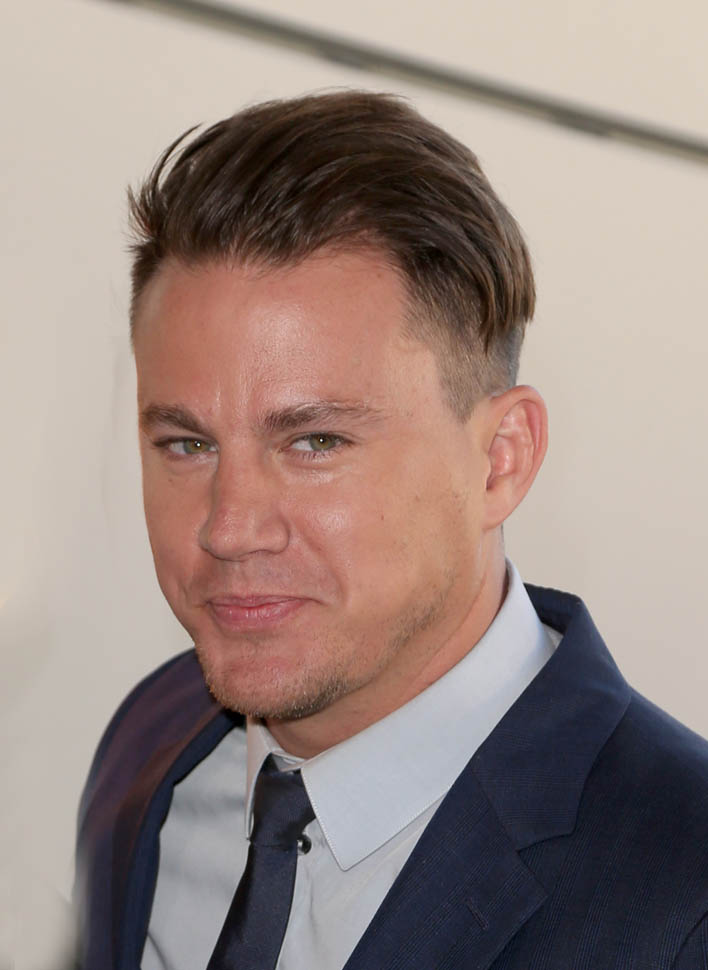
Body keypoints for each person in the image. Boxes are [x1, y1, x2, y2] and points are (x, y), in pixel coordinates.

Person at [74, 91, 708, 969]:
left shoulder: (685, 896)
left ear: (500, 461)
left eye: (315, 442)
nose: (230, 528)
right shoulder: (150, 741)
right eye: (187, 444)